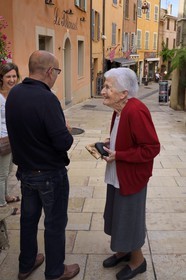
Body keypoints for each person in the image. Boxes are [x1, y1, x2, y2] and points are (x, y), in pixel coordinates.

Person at [6, 50, 80, 280]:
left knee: (28, 220)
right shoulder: (47, 99)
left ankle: (26, 264)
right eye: (57, 71)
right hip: (49, 174)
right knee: (55, 223)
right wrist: (67, 131)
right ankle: (56, 271)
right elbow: (63, 142)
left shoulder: (14, 93)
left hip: (26, 173)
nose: (57, 75)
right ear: (49, 71)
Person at [100, 68, 160, 280]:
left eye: (108, 87)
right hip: (118, 173)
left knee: (129, 220)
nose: (103, 90)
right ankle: (123, 252)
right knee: (117, 216)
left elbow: (151, 148)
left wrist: (120, 154)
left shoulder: (136, 110)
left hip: (131, 178)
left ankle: (138, 262)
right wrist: (111, 143)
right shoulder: (119, 109)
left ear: (124, 93)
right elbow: (127, 137)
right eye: (104, 85)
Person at [0, 62, 20, 214]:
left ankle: (5, 196)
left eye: (14, 76)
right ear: (2, 78)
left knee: (8, 171)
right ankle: (2, 206)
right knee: (1, 174)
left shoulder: (15, 94)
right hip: (2, 140)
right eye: (8, 76)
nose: (12, 79)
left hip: (13, 138)